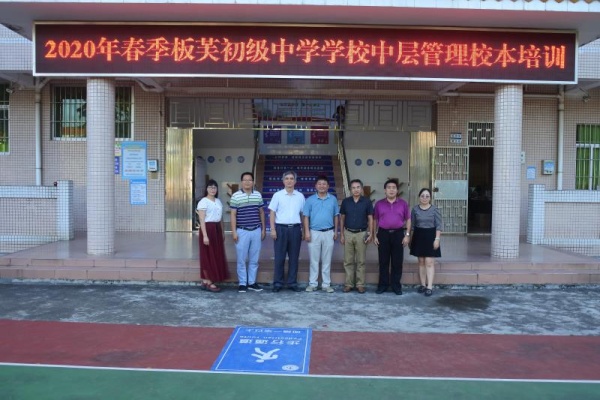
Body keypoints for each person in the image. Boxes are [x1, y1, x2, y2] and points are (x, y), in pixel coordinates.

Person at [269, 170, 305, 293]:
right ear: (283, 181)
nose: (289, 181)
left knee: (294, 257)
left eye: (291, 178)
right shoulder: (277, 195)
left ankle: (292, 283)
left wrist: (304, 229)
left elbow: (302, 214)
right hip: (281, 229)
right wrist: (272, 229)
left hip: (295, 229)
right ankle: (278, 283)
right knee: (279, 257)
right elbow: (272, 213)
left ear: (295, 181)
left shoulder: (300, 196)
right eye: (287, 178)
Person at [373, 178, 411, 295]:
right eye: (389, 188)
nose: (391, 190)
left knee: (397, 262)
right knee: (383, 261)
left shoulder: (403, 203)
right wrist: (374, 235)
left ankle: (396, 286)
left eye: (394, 188)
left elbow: (408, 219)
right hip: (383, 234)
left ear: (397, 190)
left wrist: (407, 235)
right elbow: (375, 220)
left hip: (398, 234)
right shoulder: (379, 204)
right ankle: (383, 285)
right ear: (385, 190)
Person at [230, 172, 266, 293]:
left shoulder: (258, 195)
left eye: (249, 180)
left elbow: (261, 212)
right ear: (241, 182)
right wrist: (234, 232)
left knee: (254, 259)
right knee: (241, 259)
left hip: (256, 230)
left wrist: (263, 229)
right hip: (242, 231)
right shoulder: (235, 196)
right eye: (245, 180)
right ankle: (242, 283)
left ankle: (251, 282)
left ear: (253, 182)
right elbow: (233, 214)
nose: (247, 182)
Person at [303, 175, 340, 293]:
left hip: (329, 232)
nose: (322, 186)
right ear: (315, 186)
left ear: (328, 186)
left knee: (327, 260)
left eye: (324, 184)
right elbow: (306, 217)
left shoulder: (333, 199)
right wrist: (307, 232)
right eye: (319, 184)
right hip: (314, 232)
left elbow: (336, 216)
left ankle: (326, 284)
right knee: (314, 260)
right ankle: (313, 283)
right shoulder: (310, 200)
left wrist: (336, 231)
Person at [339, 179, 373, 294]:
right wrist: (342, 234)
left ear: (361, 189)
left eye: (358, 187)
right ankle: (348, 284)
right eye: (353, 188)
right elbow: (342, 218)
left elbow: (370, 218)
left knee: (361, 261)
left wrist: (370, 233)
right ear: (350, 189)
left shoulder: (367, 202)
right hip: (348, 233)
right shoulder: (346, 202)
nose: (356, 190)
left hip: (361, 233)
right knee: (348, 260)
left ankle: (360, 284)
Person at [196, 179, 229, 292]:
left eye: (214, 187)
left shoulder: (218, 201)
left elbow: (221, 218)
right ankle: (209, 281)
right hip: (208, 229)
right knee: (208, 255)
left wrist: (222, 232)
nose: (212, 189)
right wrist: (205, 236)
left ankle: (205, 281)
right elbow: (202, 220)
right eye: (210, 187)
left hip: (217, 229)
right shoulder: (203, 202)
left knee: (216, 254)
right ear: (206, 189)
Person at [409, 188, 442, 297]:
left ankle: (429, 286)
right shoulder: (415, 209)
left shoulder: (434, 209)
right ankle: (423, 285)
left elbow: (439, 226)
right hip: (418, 236)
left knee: (429, 262)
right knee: (421, 261)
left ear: (430, 198)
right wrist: (410, 239)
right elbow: (412, 226)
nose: (424, 198)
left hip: (431, 236)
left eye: (427, 196)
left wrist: (437, 239)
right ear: (419, 197)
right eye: (422, 196)